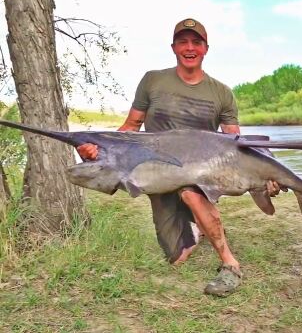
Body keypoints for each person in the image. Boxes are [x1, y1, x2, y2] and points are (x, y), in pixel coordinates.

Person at [76, 18, 279, 297]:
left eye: (196, 42)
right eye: (183, 41)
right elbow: (130, 128)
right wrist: (98, 149)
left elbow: (237, 142)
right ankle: (199, 228)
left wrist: (265, 173)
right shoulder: (153, 80)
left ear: (206, 48)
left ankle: (230, 264)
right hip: (156, 173)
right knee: (178, 256)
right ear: (173, 47)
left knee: (191, 194)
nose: (189, 47)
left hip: (199, 172)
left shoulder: (221, 92)